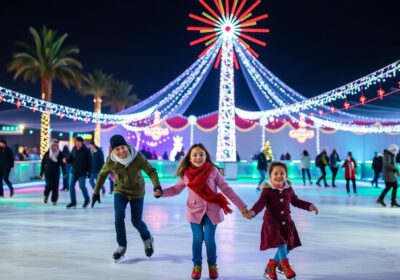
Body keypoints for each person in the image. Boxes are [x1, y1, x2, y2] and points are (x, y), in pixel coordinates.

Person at [154, 143, 249, 280]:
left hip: (212, 211)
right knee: (197, 239)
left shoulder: (213, 170)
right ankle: (196, 266)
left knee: (209, 239)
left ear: (206, 156)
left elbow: (226, 189)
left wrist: (242, 206)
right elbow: (175, 189)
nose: (198, 157)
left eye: (201, 154)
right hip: (194, 211)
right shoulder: (186, 174)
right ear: (189, 158)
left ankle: (212, 266)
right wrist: (161, 193)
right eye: (195, 155)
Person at [91, 134, 162, 262]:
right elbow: (102, 175)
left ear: (126, 146)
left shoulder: (137, 157)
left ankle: (147, 238)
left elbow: (151, 171)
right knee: (119, 216)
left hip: (137, 192)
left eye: (122, 147)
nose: (121, 151)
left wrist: (156, 185)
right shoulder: (110, 160)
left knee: (136, 221)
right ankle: (121, 246)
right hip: (121, 191)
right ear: (112, 150)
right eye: (117, 149)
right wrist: (96, 192)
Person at [246, 161, 319, 280]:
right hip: (272, 224)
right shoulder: (267, 191)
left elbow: (296, 201)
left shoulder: (288, 189)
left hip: (286, 222)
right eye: (276, 173)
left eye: (282, 173)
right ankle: (285, 266)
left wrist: (309, 206)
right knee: (282, 243)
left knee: (288, 246)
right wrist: (253, 212)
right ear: (270, 176)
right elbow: (260, 204)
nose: (279, 176)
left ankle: (272, 266)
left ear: (286, 176)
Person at [63, 136, 92, 208]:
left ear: (81, 142)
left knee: (82, 186)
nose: (77, 143)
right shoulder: (74, 149)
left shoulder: (86, 151)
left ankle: (87, 199)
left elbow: (90, 162)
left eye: (78, 142)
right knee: (71, 185)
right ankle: (73, 202)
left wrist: (89, 172)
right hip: (74, 171)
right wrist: (66, 160)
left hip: (82, 172)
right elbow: (71, 158)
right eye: (76, 142)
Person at [40, 140, 65, 205]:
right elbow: (43, 163)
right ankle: (46, 195)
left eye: (55, 146)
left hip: (56, 172)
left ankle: (54, 200)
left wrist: (64, 173)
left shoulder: (60, 154)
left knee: (55, 186)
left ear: (57, 147)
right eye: (53, 146)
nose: (54, 147)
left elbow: (62, 164)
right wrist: (41, 171)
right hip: (48, 172)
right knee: (49, 185)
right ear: (51, 146)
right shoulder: (47, 153)